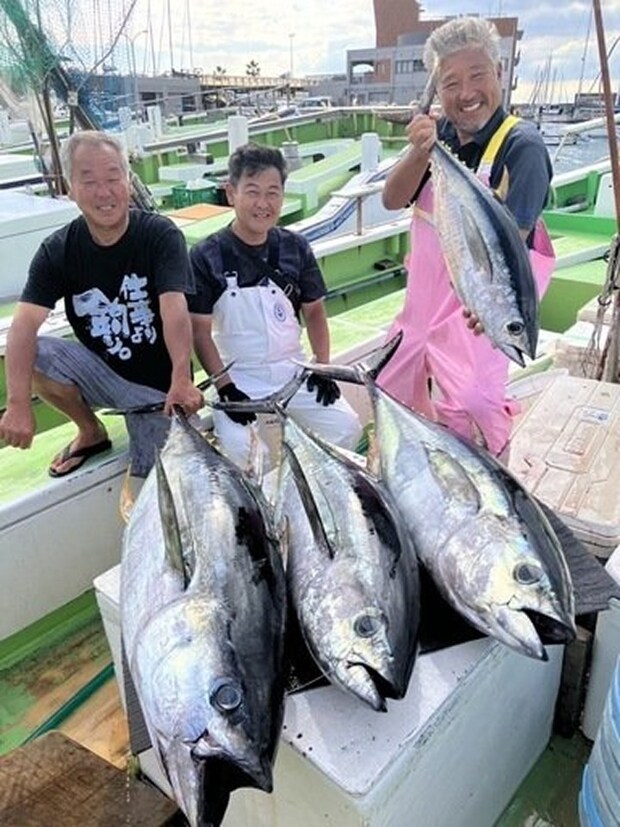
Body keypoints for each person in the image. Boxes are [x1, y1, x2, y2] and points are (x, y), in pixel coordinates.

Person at [379, 16, 556, 457]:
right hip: (419, 311)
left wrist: (489, 307)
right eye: (450, 83)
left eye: (477, 75)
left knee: (472, 408)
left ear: (499, 73)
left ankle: (492, 488)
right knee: (387, 393)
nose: (466, 93)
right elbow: (392, 198)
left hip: (473, 315)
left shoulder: (522, 148)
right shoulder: (437, 139)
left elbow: (506, 253)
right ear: (438, 93)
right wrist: (421, 149)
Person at [0, 130, 203, 478]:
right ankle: (91, 431)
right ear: (70, 188)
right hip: (101, 372)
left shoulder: (160, 234)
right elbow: (22, 327)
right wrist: (18, 404)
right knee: (34, 351)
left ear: (128, 180)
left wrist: (182, 378)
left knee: (161, 477)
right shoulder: (58, 250)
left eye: (113, 177)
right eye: (89, 180)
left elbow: (174, 308)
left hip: (159, 386)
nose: (104, 192)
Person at [189, 142, 362, 469]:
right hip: (238, 378)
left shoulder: (295, 247)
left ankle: (308, 491)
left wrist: (322, 368)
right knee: (246, 453)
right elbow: (200, 332)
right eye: (252, 192)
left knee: (346, 428)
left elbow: (314, 312)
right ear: (231, 193)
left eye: (273, 193)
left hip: (293, 371)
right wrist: (225, 387)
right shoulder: (205, 255)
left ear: (283, 195)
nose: (263, 203)